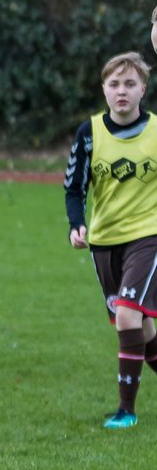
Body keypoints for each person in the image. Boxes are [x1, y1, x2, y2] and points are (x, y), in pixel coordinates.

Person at [64, 50, 157, 430]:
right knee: (144, 330)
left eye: (130, 84)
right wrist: (76, 224)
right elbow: (74, 187)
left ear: (143, 90)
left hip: (148, 235)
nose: (122, 91)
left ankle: (126, 410)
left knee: (126, 315)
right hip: (104, 240)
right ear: (104, 89)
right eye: (115, 83)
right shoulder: (89, 134)